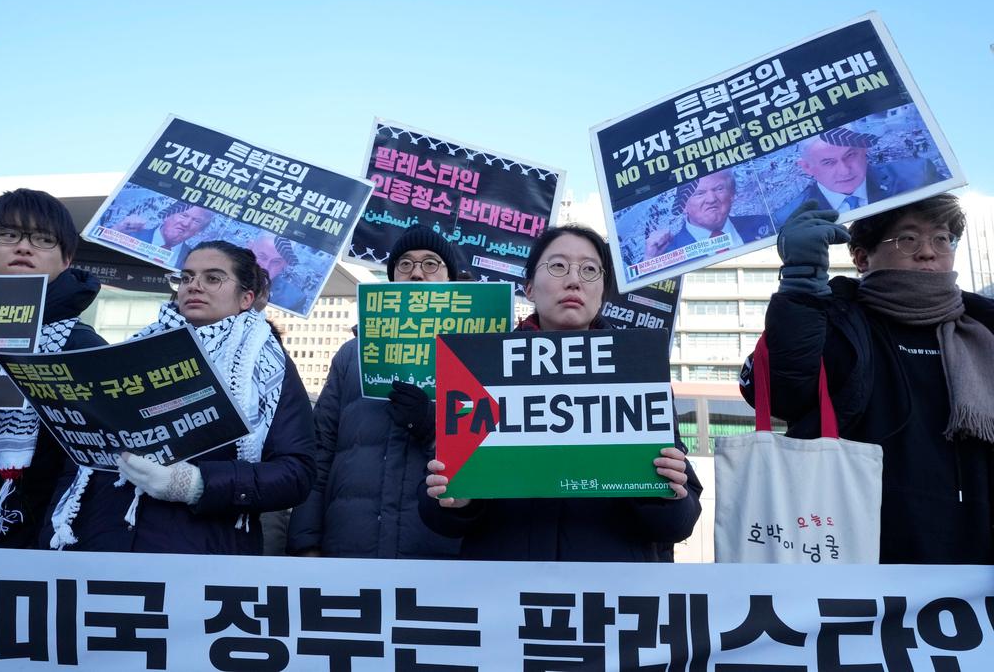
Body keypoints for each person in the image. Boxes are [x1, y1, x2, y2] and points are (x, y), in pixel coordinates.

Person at [420, 224, 702, 561]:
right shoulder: (479, 371)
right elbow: (435, 513)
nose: (574, 280)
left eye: (589, 270)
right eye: (557, 266)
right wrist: (457, 502)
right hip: (503, 595)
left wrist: (666, 493)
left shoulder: (637, 373)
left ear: (602, 293)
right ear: (529, 289)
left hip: (609, 599)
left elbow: (680, 522)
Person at [740, 195, 994, 564]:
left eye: (942, 238)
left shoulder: (983, 327)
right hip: (857, 558)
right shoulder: (831, 319)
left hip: (976, 568)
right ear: (861, 257)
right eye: (908, 239)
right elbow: (783, 393)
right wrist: (800, 284)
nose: (928, 252)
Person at [40, 241, 316, 554]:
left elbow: (295, 473)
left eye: (212, 278)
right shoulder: (134, 349)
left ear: (246, 298)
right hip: (101, 541)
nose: (194, 286)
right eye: (185, 278)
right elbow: (81, 456)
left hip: (198, 554)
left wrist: (196, 485)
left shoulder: (266, 366)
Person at [286, 225, 463, 559]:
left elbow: (487, 458)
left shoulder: (472, 355)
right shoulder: (352, 355)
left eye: (430, 264)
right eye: (406, 264)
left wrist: (431, 427)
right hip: (349, 545)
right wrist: (306, 542)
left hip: (434, 549)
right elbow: (319, 451)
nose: (416, 275)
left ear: (449, 278)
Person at [0, 188, 105, 548]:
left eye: (43, 239)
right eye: (8, 234)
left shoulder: (82, 347)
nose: (23, 247)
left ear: (66, 258)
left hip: (22, 540)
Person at [774, 127, 945, 226]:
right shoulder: (789, 218)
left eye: (850, 155)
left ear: (864, 149)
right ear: (806, 167)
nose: (844, 170)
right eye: (828, 163)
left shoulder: (917, 175)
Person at [645, 170, 774, 260]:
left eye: (719, 189)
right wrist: (650, 263)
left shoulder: (763, 223)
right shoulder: (664, 256)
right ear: (683, 205)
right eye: (699, 193)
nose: (711, 199)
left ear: (732, 194)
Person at [112, 200, 215, 268]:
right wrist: (117, 229)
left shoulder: (193, 260)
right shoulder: (129, 234)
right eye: (183, 215)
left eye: (196, 221)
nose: (186, 223)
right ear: (167, 215)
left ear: (199, 231)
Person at [248, 233, 308, 311]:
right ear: (250, 248)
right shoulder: (229, 271)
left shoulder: (293, 299)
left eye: (276, 262)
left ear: (285, 264)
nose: (266, 267)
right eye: (262, 256)